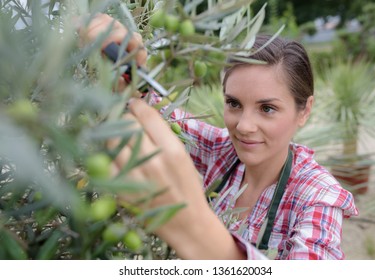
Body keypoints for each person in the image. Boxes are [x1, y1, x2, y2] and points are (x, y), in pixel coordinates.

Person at [80, 13, 358, 260]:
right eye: (234, 103)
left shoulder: (318, 198)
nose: (244, 126)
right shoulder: (222, 151)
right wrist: (123, 67)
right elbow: (156, 108)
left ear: (304, 111)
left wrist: (193, 226)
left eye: (267, 108)